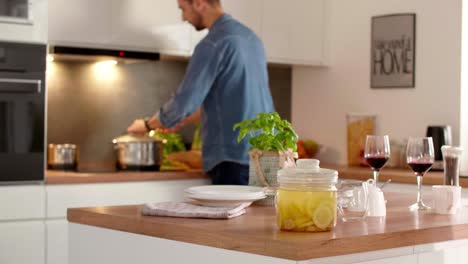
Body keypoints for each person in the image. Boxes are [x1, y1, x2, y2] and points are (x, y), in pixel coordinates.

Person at [127, 0, 274, 185]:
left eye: (183, 9)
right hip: (267, 155)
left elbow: (184, 102)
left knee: (231, 214)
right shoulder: (251, 39)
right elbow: (233, 102)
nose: (183, 18)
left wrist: (148, 124)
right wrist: (182, 119)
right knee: (260, 215)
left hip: (233, 158)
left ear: (198, 3)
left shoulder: (213, 44)